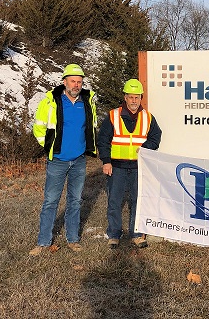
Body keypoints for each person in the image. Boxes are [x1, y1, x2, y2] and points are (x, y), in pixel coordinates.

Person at [29, 64, 97, 256]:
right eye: (73, 81)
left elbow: (90, 127)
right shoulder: (51, 101)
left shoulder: (87, 101)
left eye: (80, 82)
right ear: (64, 81)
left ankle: (73, 239)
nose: (76, 85)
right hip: (57, 160)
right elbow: (39, 127)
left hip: (79, 160)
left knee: (75, 200)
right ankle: (43, 242)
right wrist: (49, 147)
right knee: (51, 201)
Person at [97, 79, 162, 249]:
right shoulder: (113, 116)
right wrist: (106, 161)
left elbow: (156, 137)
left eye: (137, 97)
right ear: (125, 97)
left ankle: (137, 234)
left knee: (138, 201)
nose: (134, 101)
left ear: (141, 98)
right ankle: (114, 234)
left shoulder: (148, 118)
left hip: (138, 167)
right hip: (116, 166)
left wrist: (146, 147)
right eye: (131, 97)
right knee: (114, 201)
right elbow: (103, 140)